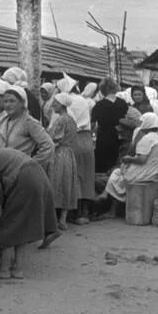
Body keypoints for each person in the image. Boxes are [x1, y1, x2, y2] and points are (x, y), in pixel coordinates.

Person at [0, 148, 58, 279]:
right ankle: (18, 268)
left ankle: (4, 269)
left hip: (24, 178)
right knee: (22, 226)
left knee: (9, 225)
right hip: (37, 175)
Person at [95, 113, 158, 219]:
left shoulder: (147, 139)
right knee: (117, 173)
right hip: (153, 172)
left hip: (144, 172)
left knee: (117, 173)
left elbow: (141, 159)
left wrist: (128, 159)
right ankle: (107, 200)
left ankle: (108, 202)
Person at [0, 85, 54, 167]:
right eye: (5, 101)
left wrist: (30, 165)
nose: (8, 105)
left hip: (17, 172)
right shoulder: (3, 120)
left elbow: (48, 146)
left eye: (12, 101)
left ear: (22, 103)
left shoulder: (29, 122)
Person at [46, 93, 80, 230]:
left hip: (59, 153)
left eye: (55, 102)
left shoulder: (61, 120)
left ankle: (52, 219)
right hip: (69, 154)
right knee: (67, 185)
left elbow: (54, 139)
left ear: (61, 104)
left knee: (54, 183)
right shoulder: (72, 119)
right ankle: (63, 219)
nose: (52, 105)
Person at [63, 90, 96, 224]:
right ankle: (85, 212)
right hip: (87, 141)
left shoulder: (68, 110)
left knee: (74, 176)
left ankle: (75, 212)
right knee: (87, 177)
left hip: (73, 141)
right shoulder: (83, 102)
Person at [91, 78, 128, 173]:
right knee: (117, 163)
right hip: (119, 137)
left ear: (102, 90)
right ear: (115, 88)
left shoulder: (99, 105)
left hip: (104, 138)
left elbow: (92, 124)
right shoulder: (123, 103)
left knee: (103, 165)